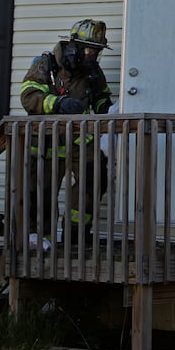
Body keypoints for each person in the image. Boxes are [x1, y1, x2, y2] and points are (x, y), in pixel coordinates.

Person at [19, 19, 113, 249]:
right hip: (46, 143)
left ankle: (76, 235)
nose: (92, 55)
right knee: (41, 191)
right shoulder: (47, 64)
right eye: (89, 49)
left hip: (81, 141)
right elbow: (28, 96)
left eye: (97, 51)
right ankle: (40, 239)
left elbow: (101, 96)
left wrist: (106, 109)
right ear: (74, 46)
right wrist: (58, 103)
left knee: (95, 178)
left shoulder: (93, 72)